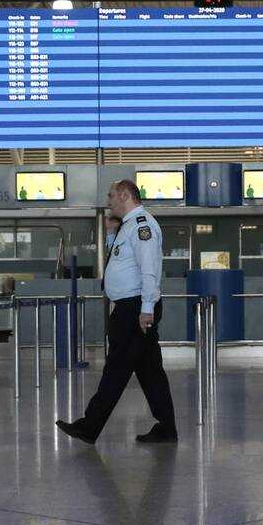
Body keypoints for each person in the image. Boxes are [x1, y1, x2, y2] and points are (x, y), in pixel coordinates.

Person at [57, 179, 178, 444]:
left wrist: (146, 309)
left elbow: (149, 270)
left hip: (134, 310)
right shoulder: (128, 226)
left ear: (124, 195)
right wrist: (112, 232)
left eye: (111, 196)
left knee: (116, 369)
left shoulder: (142, 226)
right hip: (130, 308)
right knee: (150, 371)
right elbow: (123, 261)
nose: (108, 201)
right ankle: (167, 428)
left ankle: (90, 426)